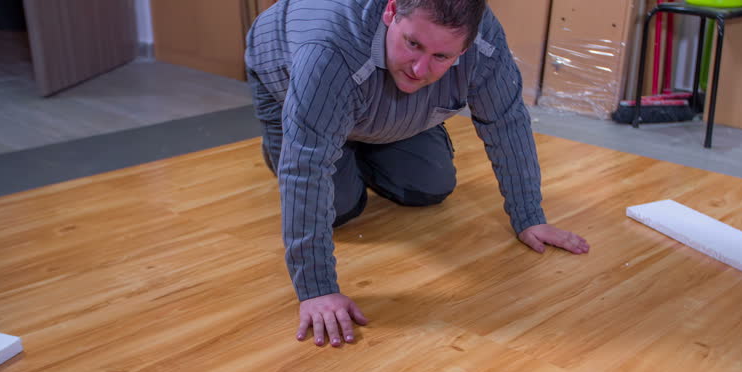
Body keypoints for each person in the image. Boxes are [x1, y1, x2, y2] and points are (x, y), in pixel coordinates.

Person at [246, 0, 590, 348]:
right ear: (391, 11)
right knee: (340, 206)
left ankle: (359, 131)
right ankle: (300, 136)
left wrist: (530, 216)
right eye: (413, 44)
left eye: (441, 57)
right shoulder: (329, 52)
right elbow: (308, 167)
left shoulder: (483, 41)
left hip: (367, 93)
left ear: (466, 46)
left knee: (430, 185)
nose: (420, 68)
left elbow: (506, 120)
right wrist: (317, 290)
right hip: (291, 76)